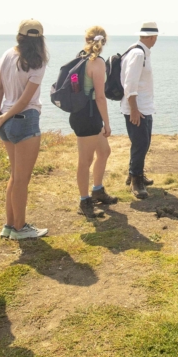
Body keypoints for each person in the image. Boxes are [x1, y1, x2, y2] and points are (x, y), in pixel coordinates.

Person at [0, 19, 50, 241]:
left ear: (19, 36)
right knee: (22, 179)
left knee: (15, 176)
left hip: (5, 120)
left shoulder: (6, 55)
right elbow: (25, 100)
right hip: (24, 119)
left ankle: (10, 225)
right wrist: (3, 116)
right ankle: (20, 227)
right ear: (40, 39)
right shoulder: (37, 62)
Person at [70, 26, 118, 218]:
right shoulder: (96, 63)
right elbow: (100, 97)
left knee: (104, 151)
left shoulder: (80, 57)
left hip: (83, 113)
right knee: (85, 161)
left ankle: (97, 190)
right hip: (88, 115)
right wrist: (107, 123)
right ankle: (84, 201)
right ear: (104, 41)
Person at [122, 22, 159, 199]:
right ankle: (136, 181)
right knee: (140, 144)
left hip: (144, 106)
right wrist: (134, 109)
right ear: (152, 37)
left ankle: (135, 173)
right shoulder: (138, 53)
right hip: (137, 108)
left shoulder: (140, 51)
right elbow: (130, 84)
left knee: (143, 143)